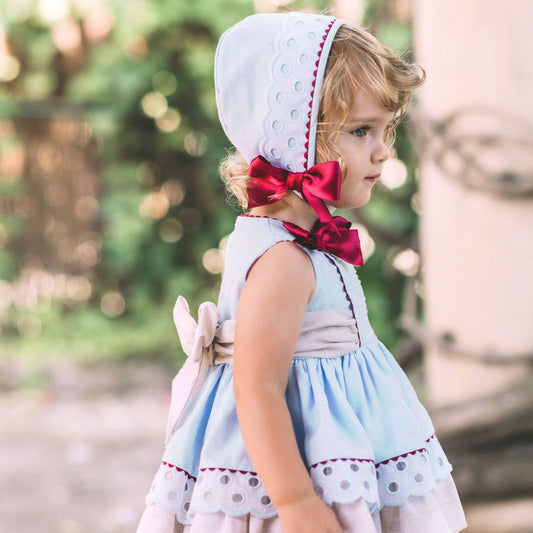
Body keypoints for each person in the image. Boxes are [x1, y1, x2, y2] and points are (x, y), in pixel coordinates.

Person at [137, 11, 467, 533]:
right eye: (361, 131)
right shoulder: (284, 260)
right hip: (301, 476)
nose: (383, 150)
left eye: (387, 129)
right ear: (293, 138)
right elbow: (258, 388)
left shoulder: (305, 244)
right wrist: (295, 502)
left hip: (339, 457)